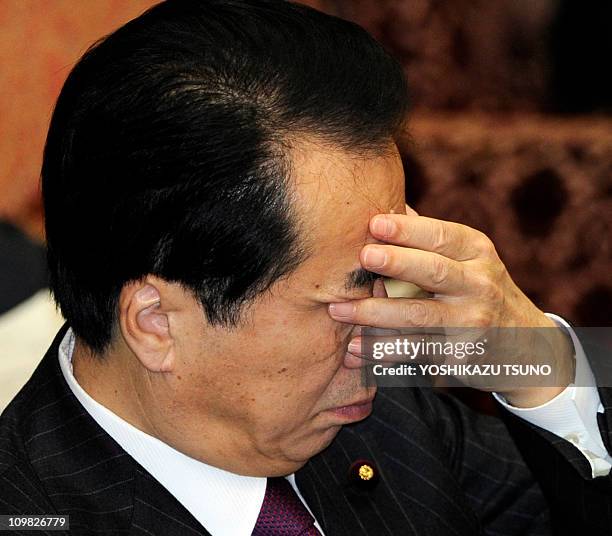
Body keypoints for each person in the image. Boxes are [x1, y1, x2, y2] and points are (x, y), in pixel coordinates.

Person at [0, 1, 610, 534]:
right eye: (349, 296)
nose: (391, 333)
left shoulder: (393, 426)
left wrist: (536, 359)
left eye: (386, 278)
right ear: (157, 321)